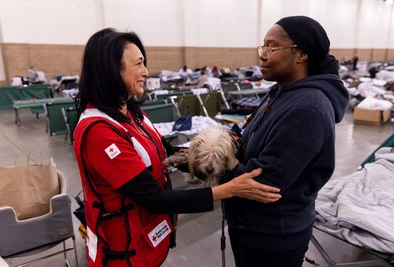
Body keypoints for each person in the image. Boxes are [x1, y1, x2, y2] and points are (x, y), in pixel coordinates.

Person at [73, 28, 281, 267]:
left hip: (147, 240)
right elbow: (155, 199)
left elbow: (166, 153)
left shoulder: (131, 112)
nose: (146, 72)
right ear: (111, 70)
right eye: (138, 64)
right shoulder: (100, 132)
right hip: (124, 252)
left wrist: (206, 157)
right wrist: (230, 188)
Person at [221, 16, 349, 267]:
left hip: (272, 237)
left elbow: (265, 181)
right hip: (249, 226)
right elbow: (248, 137)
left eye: (272, 46)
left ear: (301, 54)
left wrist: (212, 165)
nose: (263, 54)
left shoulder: (307, 107)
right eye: (262, 46)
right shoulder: (279, 92)